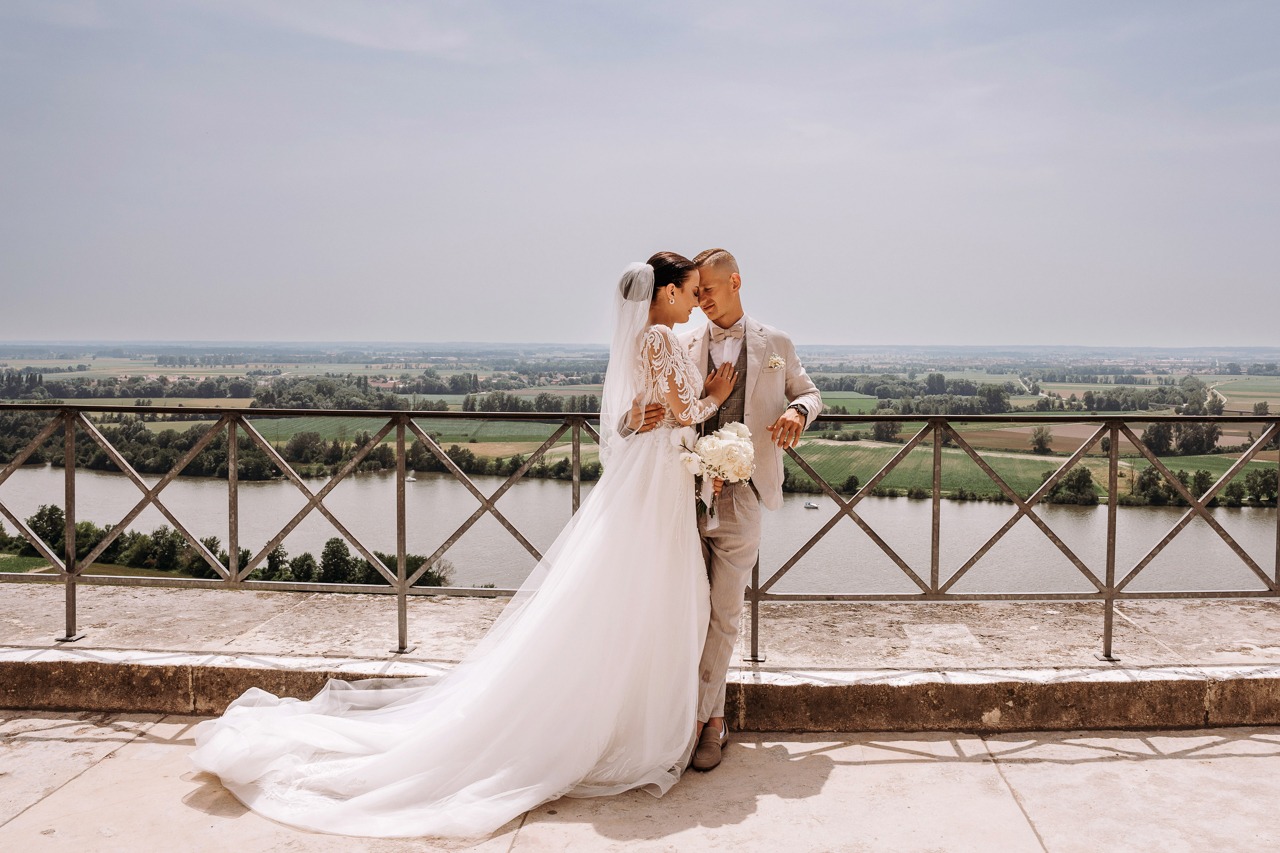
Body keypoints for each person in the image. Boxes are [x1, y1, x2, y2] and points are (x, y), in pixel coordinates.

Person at [189, 252, 737, 839]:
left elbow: (646, 414)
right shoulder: (658, 337)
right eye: (687, 290)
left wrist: (660, 416)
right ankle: (635, 725)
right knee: (650, 593)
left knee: (634, 594)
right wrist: (714, 395)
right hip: (657, 486)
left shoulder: (647, 339)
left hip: (656, 482)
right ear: (669, 293)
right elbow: (682, 410)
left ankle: (627, 715)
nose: (691, 301)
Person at [630, 248, 821, 772]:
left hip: (745, 493)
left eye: (709, 290)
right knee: (685, 611)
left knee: (725, 612)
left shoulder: (775, 343)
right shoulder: (677, 339)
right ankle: (691, 718)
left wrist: (798, 413)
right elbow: (647, 409)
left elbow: (808, 392)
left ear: (735, 282)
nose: (702, 300)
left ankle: (704, 724)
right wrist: (636, 419)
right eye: (696, 291)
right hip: (682, 494)